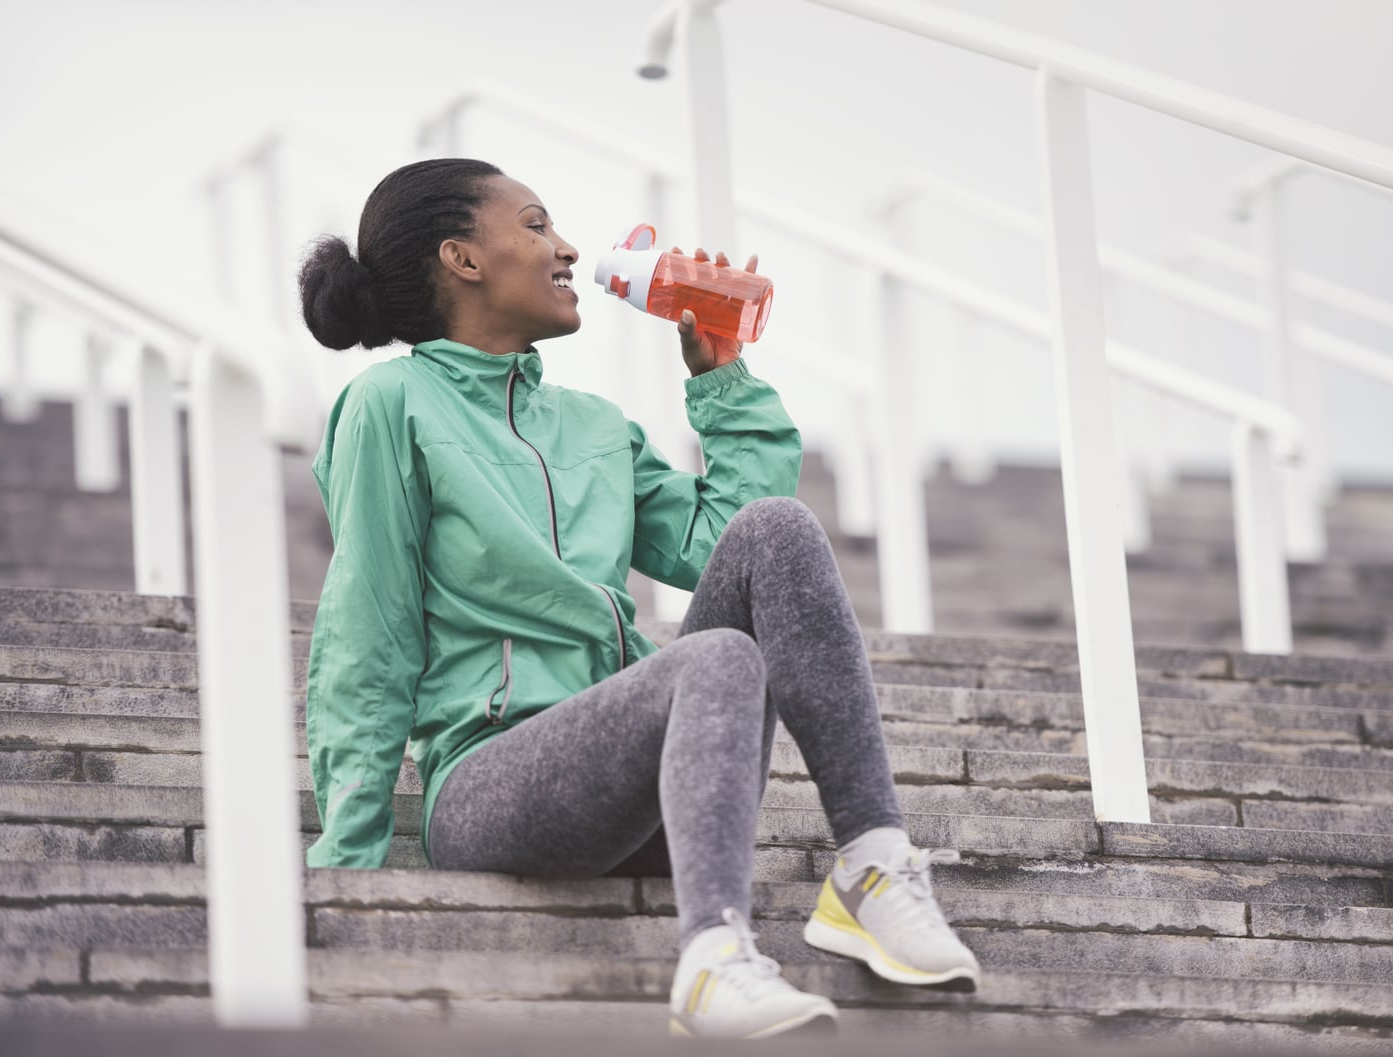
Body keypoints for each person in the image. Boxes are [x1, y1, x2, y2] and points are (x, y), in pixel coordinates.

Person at [296, 158, 979, 1039]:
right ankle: (713, 955)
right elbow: (368, 628)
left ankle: (872, 865)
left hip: (639, 783)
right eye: (538, 225)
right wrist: (347, 867)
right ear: (462, 258)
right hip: (489, 787)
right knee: (718, 657)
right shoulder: (389, 405)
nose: (569, 248)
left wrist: (723, 380)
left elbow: (721, 540)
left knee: (777, 527)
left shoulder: (592, 424)